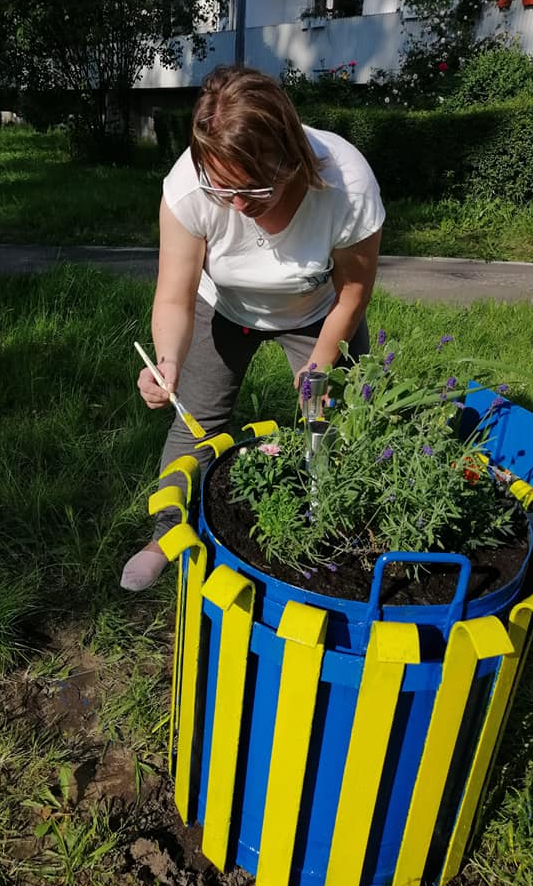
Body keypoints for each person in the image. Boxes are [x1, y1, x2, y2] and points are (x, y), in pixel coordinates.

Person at [120, 65, 384, 592]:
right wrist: (167, 357)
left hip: (319, 313)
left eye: (253, 190)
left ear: (291, 159)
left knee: (331, 423)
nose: (237, 206)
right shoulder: (188, 188)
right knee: (195, 422)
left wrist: (324, 358)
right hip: (224, 308)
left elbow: (354, 290)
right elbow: (174, 293)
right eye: (223, 191)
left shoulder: (347, 183)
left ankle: (337, 531)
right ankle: (166, 535)